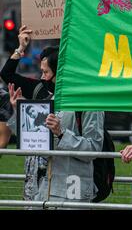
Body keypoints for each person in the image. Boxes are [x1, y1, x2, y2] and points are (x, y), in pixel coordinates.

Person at [3, 25, 104, 204]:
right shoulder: (47, 97)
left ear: (61, 72)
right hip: (42, 190)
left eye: (46, 72)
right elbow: (34, 139)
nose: (42, 77)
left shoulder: (89, 102)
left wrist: (61, 134)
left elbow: (94, 149)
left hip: (72, 190)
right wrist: (18, 112)